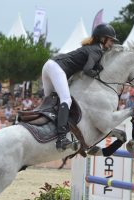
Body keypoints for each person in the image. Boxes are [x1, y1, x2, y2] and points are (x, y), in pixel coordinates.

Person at [41, 23, 118, 151]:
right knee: (66, 100)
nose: (112, 44)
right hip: (57, 68)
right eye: (110, 40)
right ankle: (61, 138)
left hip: (49, 65)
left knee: (50, 101)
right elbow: (88, 70)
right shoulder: (97, 50)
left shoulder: (90, 48)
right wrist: (97, 72)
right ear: (102, 38)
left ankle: (43, 130)